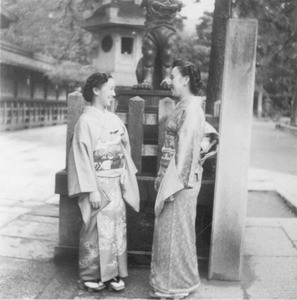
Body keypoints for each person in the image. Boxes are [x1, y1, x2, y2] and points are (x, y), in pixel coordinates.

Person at [150, 59, 218, 299]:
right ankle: (183, 281)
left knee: (174, 232)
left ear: (185, 79)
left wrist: (173, 183)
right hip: (178, 175)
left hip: (179, 180)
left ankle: (174, 287)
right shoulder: (188, 106)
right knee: (177, 232)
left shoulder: (190, 109)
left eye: (173, 76)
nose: (169, 81)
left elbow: (187, 148)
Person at [67, 72, 140, 292]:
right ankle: (90, 274)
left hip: (115, 182)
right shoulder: (85, 121)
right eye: (110, 88)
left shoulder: (114, 118)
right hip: (97, 183)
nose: (114, 93)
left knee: (115, 228)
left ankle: (112, 274)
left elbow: (124, 145)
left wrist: (124, 171)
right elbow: (81, 158)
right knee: (94, 228)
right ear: (96, 90)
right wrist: (91, 190)